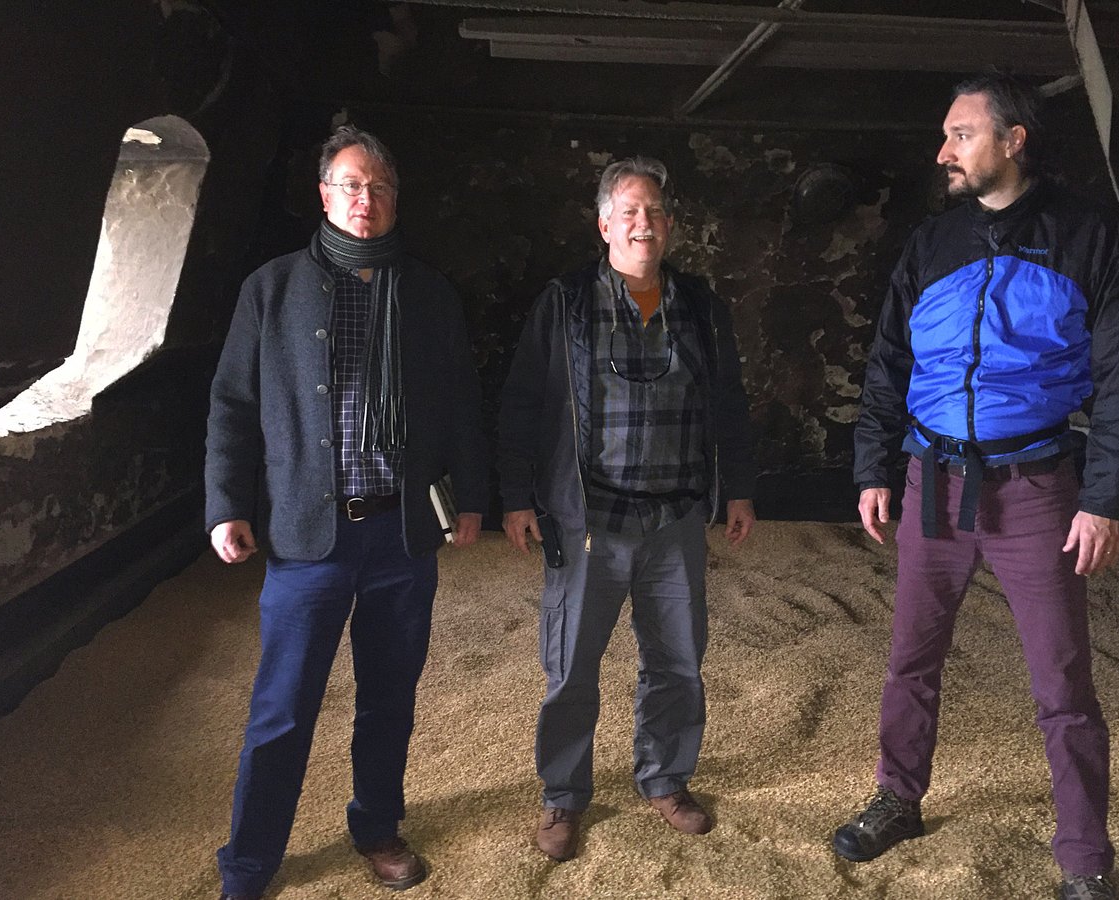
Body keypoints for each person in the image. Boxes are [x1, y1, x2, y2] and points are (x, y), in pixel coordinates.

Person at [836, 74, 1119, 900]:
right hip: (931, 480)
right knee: (910, 659)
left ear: (1014, 140)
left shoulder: (1089, 238)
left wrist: (1106, 496)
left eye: (962, 135)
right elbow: (888, 363)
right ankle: (898, 799)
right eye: (945, 136)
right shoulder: (931, 244)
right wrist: (874, 466)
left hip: (1037, 489)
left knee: (1063, 684)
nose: (944, 152)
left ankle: (1084, 858)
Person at [205, 124, 488, 899]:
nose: (367, 201)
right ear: (325, 195)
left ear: (397, 200)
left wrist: (474, 501)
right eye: (352, 185)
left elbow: (463, 404)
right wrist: (225, 503)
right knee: (282, 708)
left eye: (381, 188)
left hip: (402, 533)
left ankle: (376, 828)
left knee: (389, 697)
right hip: (307, 536)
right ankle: (251, 863)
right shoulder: (271, 289)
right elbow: (232, 404)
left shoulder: (429, 294)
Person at [497, 156, 757, 862]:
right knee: (572, 666)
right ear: (605, 222)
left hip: (674, 521)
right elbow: (524, 399)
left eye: (655, 212)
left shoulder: (699, 305)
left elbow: (728, 400)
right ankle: (563, 795)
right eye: (630, 210)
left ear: (668, 227)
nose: (644, 222)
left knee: (677, 661)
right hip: (590, 522)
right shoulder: (567, 300)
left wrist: (737, 485)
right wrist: (516, 496)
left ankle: (666, 777)